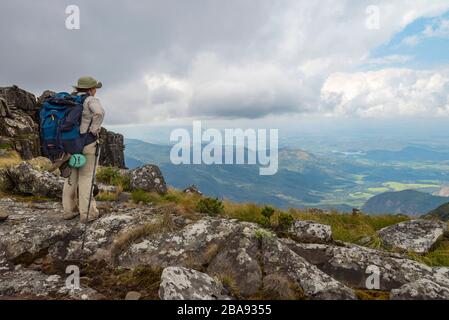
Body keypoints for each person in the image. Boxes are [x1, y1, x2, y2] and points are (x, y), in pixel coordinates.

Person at [62, 76, 105, 222]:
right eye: (95, 88)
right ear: (90, 89)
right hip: (87, 143)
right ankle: (87, 213)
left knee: (71, 176)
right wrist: (93, 129)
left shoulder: (69, 99)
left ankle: (68, 210)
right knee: (86, 177)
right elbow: (99, 112)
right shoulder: (90, 100)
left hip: (70, 144)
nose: (95, 91)